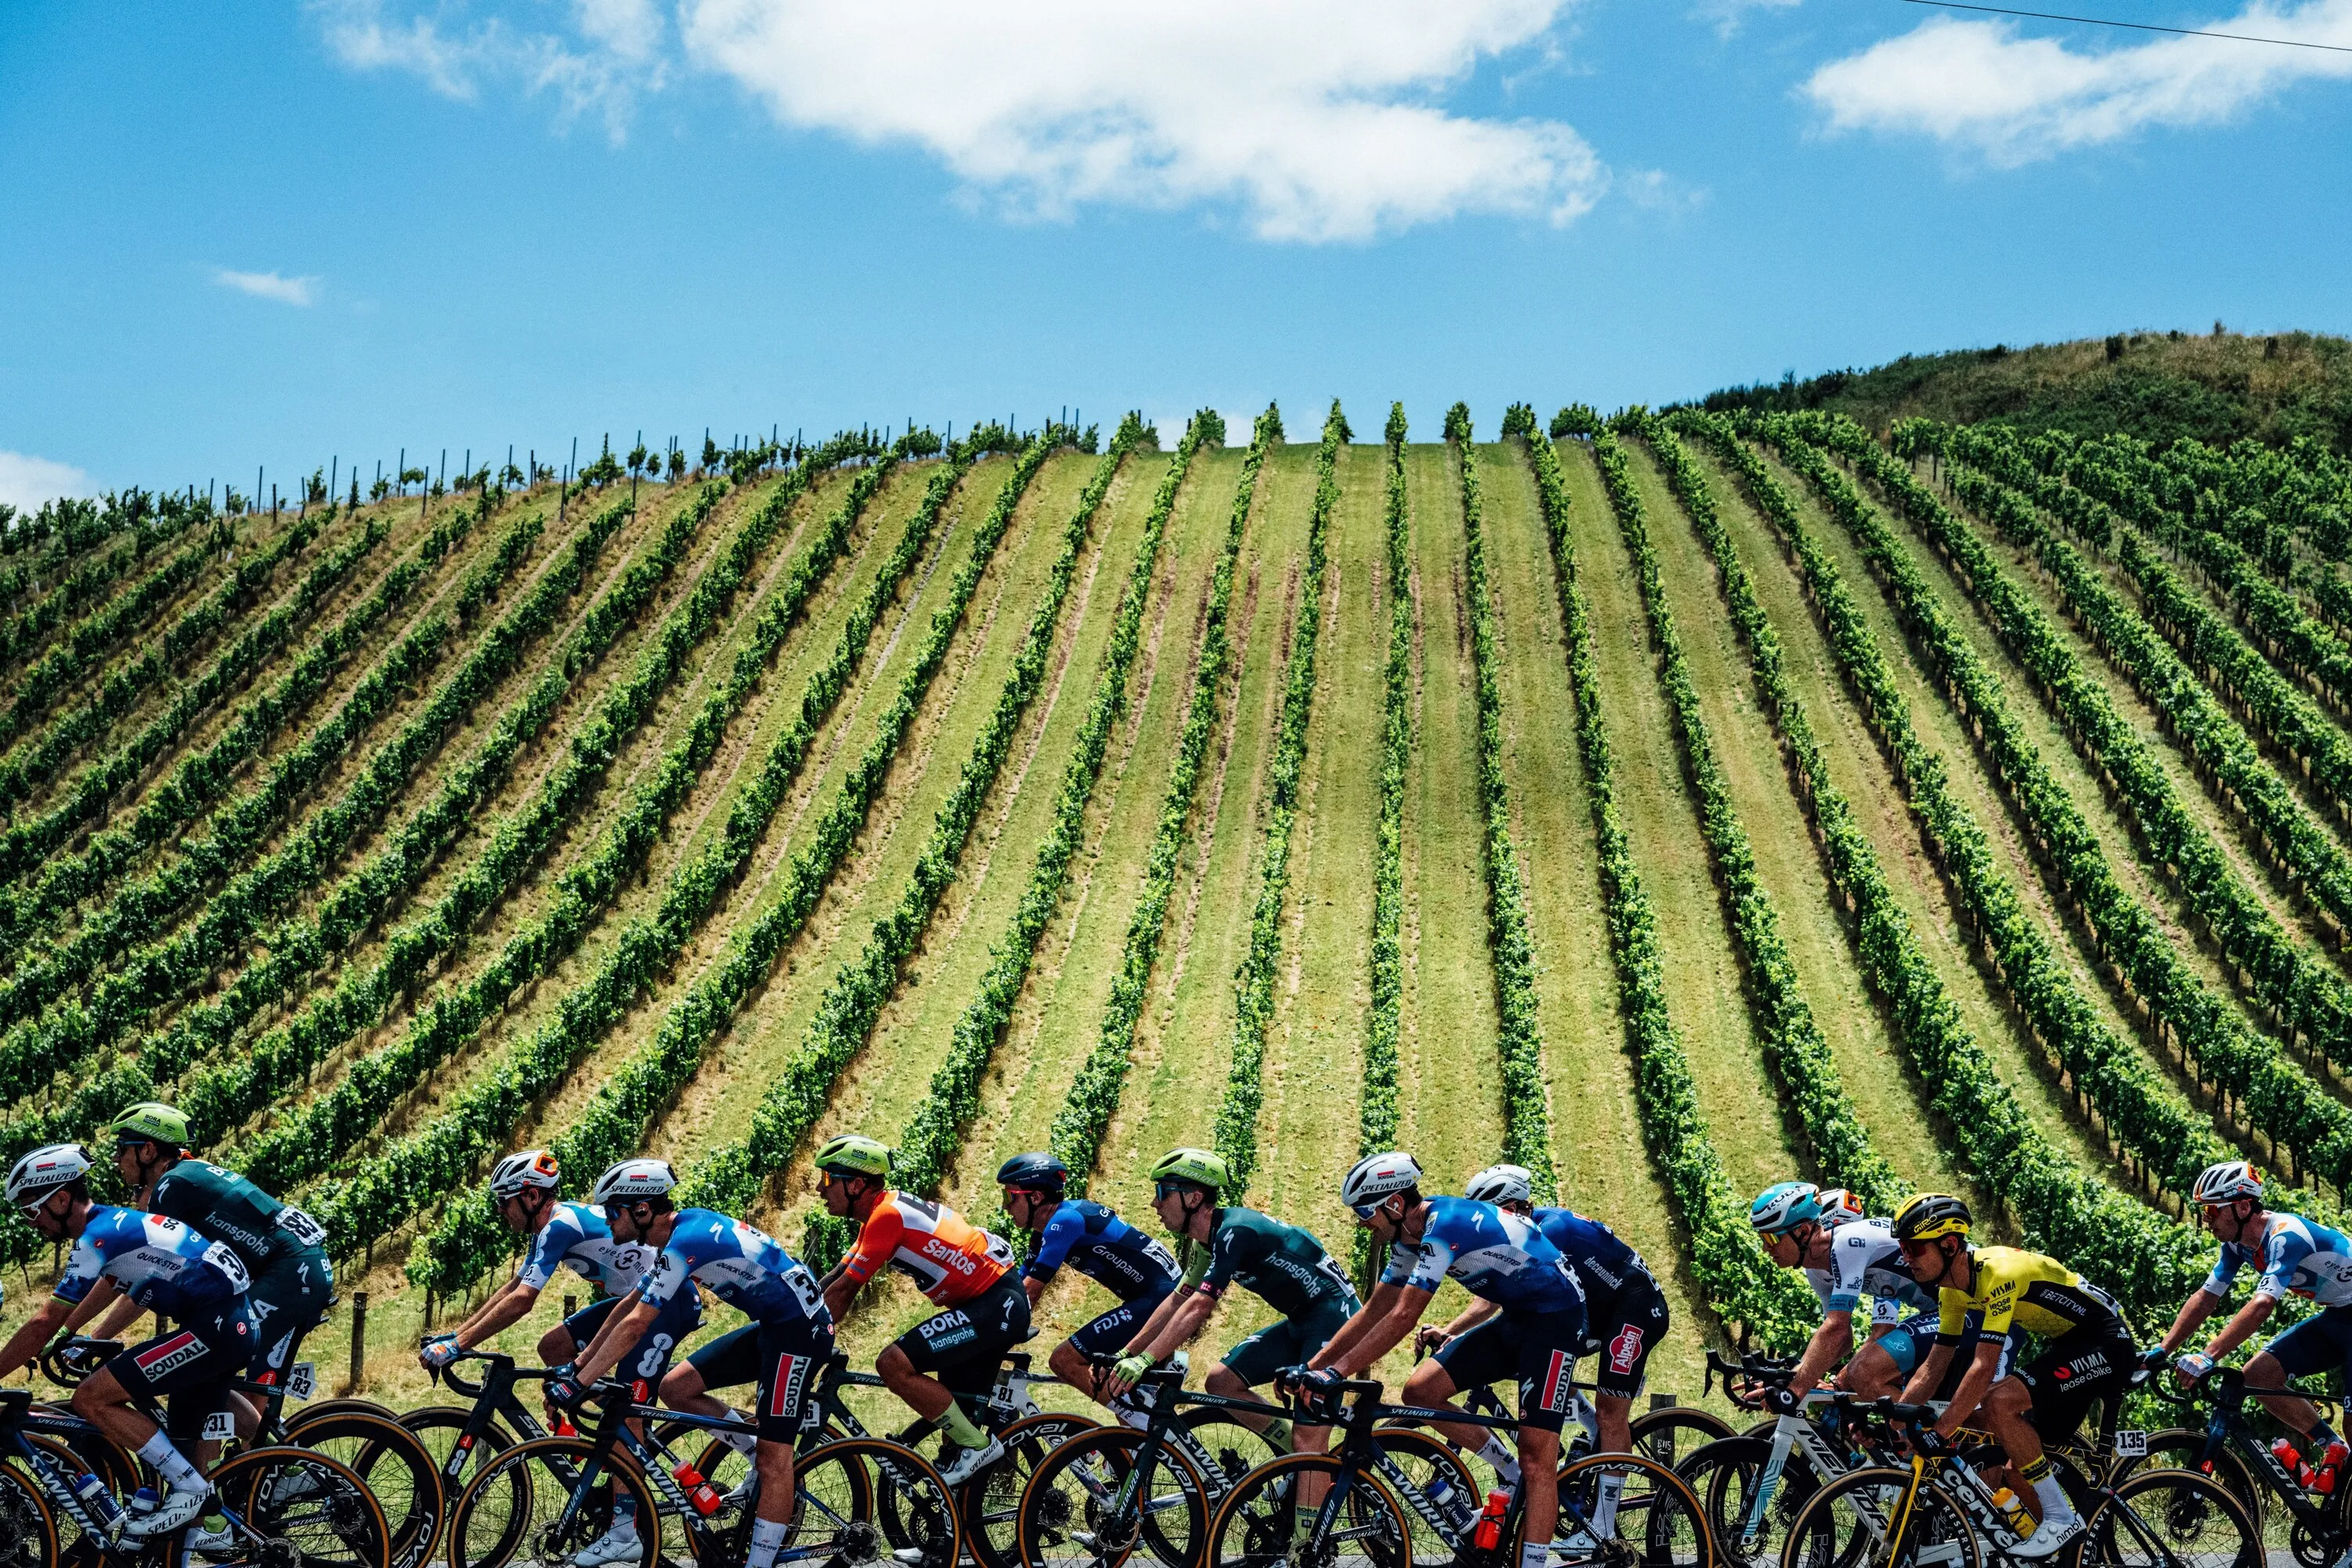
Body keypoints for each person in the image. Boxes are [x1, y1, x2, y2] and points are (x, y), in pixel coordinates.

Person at [1305, 1152, 1584, 1566]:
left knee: (1538, 1456)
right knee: (1421, 1390)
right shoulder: (1408, 1239)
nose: (1361, 1223)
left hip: (1556, 1321)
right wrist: (1317, 1366)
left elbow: (1404, 1315)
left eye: (1364, 1211)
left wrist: (1337, 1373)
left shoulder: (1443, 1226)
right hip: (1519, 1318)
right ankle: (1508, 1472)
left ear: (1395, 1205)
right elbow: (1376, 1309)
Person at [422, 1149, 696, 1568]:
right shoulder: (548, 1228)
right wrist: (457, 1337)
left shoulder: (559, 1226)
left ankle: (624, 1528)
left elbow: (523, 1302)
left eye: (504, 1201)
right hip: (632, 1301)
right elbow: (513, 1287)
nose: (501, 1211)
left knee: (628, 1410)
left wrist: (457, 1346)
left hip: (666, 1304)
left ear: (531, 1197)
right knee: (553, 1348)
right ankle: (619, 1441)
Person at [561, 1159, 832, 1568]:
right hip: (775, 1325)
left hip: (800, 1333)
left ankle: (760, 1555)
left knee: (776, 1459)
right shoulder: (678, 1235)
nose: (607, 1221)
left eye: (611, 1211)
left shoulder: (685, 1242)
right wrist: (579, 1367)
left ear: (641, 1210)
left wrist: (579, 1382)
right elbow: (628, 1306)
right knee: (675, 1389)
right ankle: (756, 1449)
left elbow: (636, 1327)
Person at [0, 1143, 255, 1537]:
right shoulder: (115, 1225)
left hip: (215, 1326)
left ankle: (192, 1489)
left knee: (91, 1398)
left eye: (32, 1211)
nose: (32, 1223)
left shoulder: (96, 1237)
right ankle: (199, 1533)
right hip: (221, 1322)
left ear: (62, 1198)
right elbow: (110, 1292)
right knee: (180, 1437)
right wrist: (72, 1339)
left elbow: (44, 1320)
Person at [1893, 1192, 2136, 1559]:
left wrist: (1940, 1432)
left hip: (2107, 1342)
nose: (1905, 1257)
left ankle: (2059, 1515)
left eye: (1914, 1248)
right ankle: (2062, 1552)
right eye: (1903, 1248)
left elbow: (1983, 1366)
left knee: (1997, 1401)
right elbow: (1935, 1364)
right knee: (2016, 1462)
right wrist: (1898, 1419)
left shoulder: (1997, 1275)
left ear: (1949, 1244)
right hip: (2071, 1346)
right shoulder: (1953, 1291)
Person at [1105, 1148, 1359, 1460]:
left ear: (1193, 1198)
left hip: (1335, 1320)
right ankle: (1289, 1456)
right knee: (1222, 1382)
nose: (1155, 1203)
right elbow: (1177, 1301)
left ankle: (1315, 1484)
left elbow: (1199, 1306)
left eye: (1162, 1192)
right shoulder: (1206, 1243)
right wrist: (1127, 1353)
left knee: (1309, 1438)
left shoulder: (1233, 1233)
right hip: (1303, 1320)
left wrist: (1146, 1360)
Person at [812, 1135, 1027, 1486]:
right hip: (988, 1304)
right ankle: (961, 1520)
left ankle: (978, 1446)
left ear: (855, 1184)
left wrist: (809, 1335)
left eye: (826, 1180)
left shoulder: (886, 1216)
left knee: (892, 1364)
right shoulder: (880, 1214)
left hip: (994, 1305)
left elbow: (847, 1290)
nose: (820, 1190)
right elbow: (835, 1279)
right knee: (953, 1426)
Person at [98, 1103, 334, 1421]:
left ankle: (278, 1463)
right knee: (205, 1377)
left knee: (204, 1361)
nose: (117, 1159)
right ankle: (228, 1466)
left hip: (291, 1272)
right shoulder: (188, 1175)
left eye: (122, 1149)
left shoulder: (171, 1187)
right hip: (295, 1267)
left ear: (147, 1151)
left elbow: (146, 1279)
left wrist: (97, 1336)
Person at [1436, 1163, 1668, 1459]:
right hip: (1592, 1309)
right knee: (1539, 1353)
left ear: (1510, 1208)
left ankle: (1606, 1500)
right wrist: (1451, 1330)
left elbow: (1496, 1299)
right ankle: (1591, 1431)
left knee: (1610, 1414)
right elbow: (1493, 1297)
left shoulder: (1549, 1232)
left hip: (1635, 1310)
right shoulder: (1519, 1232)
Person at [2151, 1160, 2352, 1488]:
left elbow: (2262, 1305)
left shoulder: (2286, 1236)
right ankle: (2333, 1448)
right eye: (2203, 1212)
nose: (2206, 1219)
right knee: (2257, 1377)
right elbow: (2206, 1297)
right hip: (2339, 1315)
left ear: (2244, 1206)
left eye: (2212, 1211)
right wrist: (2163, 1349)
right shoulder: (2235, 1246)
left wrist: (2209, 1355)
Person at [996, 1151, 1179, 1425]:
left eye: (1010, 1197)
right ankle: (1140, 1438)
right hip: (1154, 1295)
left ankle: (1145, 1424)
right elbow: (1020, 1287)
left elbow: (1032, 1292)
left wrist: (990, 1337)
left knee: (1064, 1362)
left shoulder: (1065, 1221)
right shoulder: (1048, 1228)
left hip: (1160, 1298)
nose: (1005, 1207)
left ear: (1035, 1198)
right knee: (1119, 1388)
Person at [1748, 1181, 1942, 1403]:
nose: (1765, 1247)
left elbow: (1838, 1328)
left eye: (1771, 1238)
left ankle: (1930, 1436)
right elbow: (1842, 1341)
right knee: (1870, 1379)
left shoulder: (1847, 1243)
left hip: (1963, 1305)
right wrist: (1786, 1379)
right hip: (1936, 1311)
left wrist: (1794, 1391)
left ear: (1802, 1232)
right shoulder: (1817, 1271)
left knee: (1862, 1371)